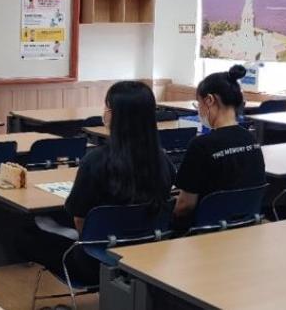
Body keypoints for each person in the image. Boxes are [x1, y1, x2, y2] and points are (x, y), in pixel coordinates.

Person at [18, 81, 175, 286]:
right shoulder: (163, 161)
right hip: (148, 255)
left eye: (107, 107)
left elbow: (79, 220)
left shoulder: (96, 161)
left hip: (95, 262)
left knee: (26, 235)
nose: (104, 113)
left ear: (116, 116)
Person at [173, 65, 266, 223]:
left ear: (209, 100)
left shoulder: (201, 145)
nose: (199, 110)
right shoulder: (251, 139)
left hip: (206, 228)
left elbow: (184, 206)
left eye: (199, 103)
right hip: (245, 223)